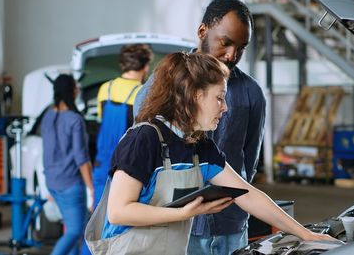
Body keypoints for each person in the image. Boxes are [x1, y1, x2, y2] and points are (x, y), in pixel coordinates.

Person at [85, 52, 337, 255]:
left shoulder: (199, 146)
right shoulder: (144, 139)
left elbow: (248, 195)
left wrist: (306, 234)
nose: (225, 108)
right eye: (219, 98)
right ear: (195, 96)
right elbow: (119, 211)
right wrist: (183, 214)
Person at [133, 0, 266, 254]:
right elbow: (143, 161)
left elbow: (247, 164)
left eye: (241, 48)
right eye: (225, 43)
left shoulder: (251, 94)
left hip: (231, 226)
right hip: (177, 226)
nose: (232, 55)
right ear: (202, 32)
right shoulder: (159, 87)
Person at [93, 44, 153, 208]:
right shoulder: (144, 93)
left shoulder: (105, 88)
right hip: (126, 164)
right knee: (121, 218)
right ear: (145, 66)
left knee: (98, 218)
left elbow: (100, 123)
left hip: (101, 162)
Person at [41, 74, 94, 255]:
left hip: (53, 181)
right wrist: (91, 187)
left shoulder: (48, 116)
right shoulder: (74, 119)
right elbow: (81, 158)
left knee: (72, 228)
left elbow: (47, 150)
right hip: (70, 183)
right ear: (72, 92)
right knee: (75, 231)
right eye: (76, 88)